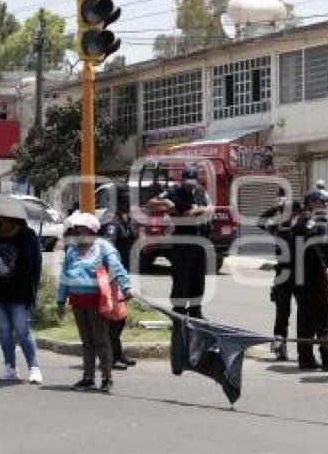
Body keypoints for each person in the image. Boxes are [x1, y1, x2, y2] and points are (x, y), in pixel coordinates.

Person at [147, 166, 213, 375]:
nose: (190, 186)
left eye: (193, 183)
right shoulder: (174, 192)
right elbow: (150, 204)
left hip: (200, 243)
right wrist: (164, 203)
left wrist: (198, 210)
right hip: (182, 244)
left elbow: (210, 208)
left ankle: (196, 313)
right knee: (181, 284)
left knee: (197, 284)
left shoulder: (201, 192)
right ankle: (179, 318)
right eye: (187, 183)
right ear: (183, 181)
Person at [57, 212, 133, 393]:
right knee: (86, 341)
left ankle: (107, 377)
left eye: (81, 229)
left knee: (101, 340)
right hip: (77, 301)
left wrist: (126, 286)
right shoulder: (73, 250)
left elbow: (117, 268)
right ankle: (88, 377)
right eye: (76, 230)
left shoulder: (104, 247)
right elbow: (65, 276)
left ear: (91, 231)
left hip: (97, 301)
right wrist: (61, 300)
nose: (77, 233)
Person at [0, 214, 43, 384]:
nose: (0, 223)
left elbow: (36, 263)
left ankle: (33, 367)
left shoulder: (27, 235)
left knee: (22, 329)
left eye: (3, 219)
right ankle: (9, 367)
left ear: (12, 219)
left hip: (20, 291)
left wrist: (34, 288)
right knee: (4, 331)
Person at [290, 189, 328, 370]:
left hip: (302, 276)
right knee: (325, 318)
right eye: (322, 202)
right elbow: (313, 247)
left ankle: (306, 358)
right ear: (311, 203)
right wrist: (324, 267)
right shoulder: (308, 222)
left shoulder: (304, 220)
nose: (325, 206)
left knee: (306, 318)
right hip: (312, 276)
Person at [258, 191, 303, 361]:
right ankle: (279, 346)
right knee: (282, 313)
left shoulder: (301, 227)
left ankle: (303, 349)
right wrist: (273, 208)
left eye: (288, 211)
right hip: (282, 274)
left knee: (304, 313)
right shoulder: (278, 227)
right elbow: (260, 222)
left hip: (299, 274)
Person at [100, 183, 138, 370]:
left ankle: (118, 353)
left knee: (119, 318)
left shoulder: (122, 220)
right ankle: (110, 357)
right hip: (112, 276)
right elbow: (108, 250)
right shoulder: (111, 223)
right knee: (114, 319)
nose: (131, 204)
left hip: (121, 273)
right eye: (127, 200)